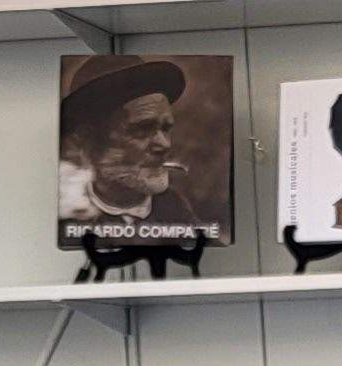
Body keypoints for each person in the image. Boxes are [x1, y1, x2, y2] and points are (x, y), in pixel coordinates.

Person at [57, 55, 221, 242]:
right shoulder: (63, 221)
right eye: (142, 129)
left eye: (166, 129)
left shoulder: (182, 218)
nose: (164, 145)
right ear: (85, 138)